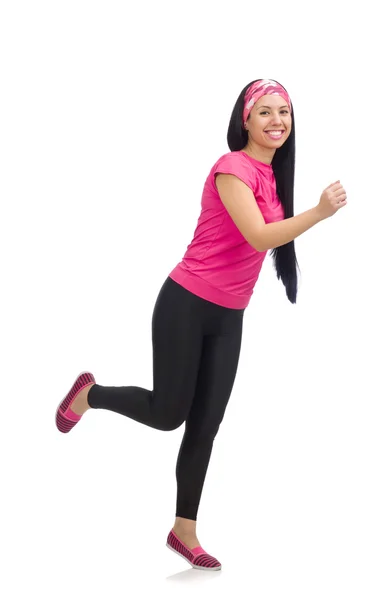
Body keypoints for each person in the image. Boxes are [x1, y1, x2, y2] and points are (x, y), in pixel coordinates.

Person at [55, 78, 347, 571]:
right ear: (245, 121)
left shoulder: (274, 177)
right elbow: (257, 237)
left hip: (229, 316)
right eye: (265, 112)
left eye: (285, 113)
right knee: (169, 413)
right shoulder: (231, 168)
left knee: (206, 425)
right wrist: (319, 213)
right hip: (185, 304)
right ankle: (89, 394)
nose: (277, 121)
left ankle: (182, 531)